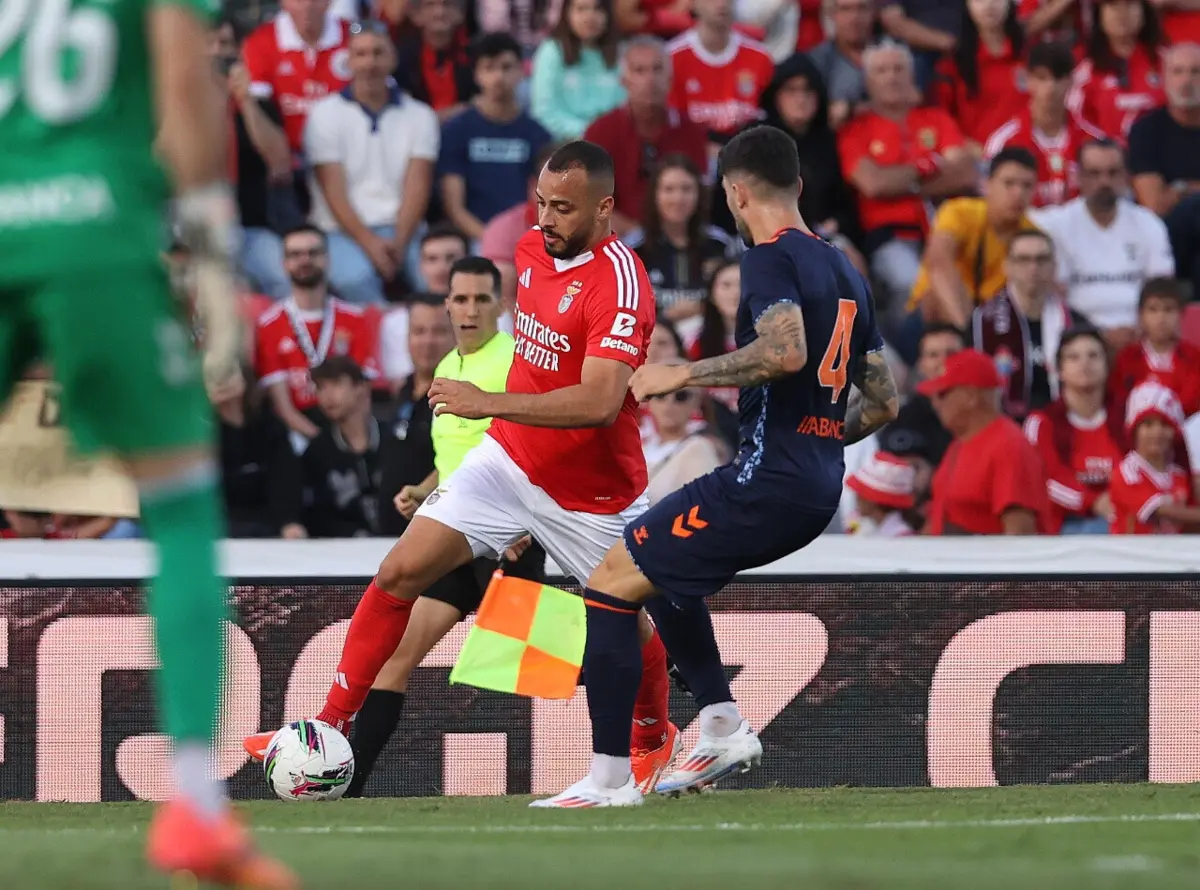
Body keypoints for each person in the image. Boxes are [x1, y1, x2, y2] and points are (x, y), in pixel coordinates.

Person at [243, 141, 680, 793]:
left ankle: (652, 733)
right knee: (398, 571)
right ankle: (326, 730)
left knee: (618, 623)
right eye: (540, 204)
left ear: (606, 207)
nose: (546, 219)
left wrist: (488, 401)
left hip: (590, 494)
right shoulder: (531, 251)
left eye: (563, 208)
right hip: (506, 462)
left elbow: (598, 401)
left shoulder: (621, 282)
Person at [0, 0, 295, 885]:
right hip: (94, 229)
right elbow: (185, 91)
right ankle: (198, 806)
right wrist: (208, 253)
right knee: (179, 505)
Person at [531, 124, 900, 807]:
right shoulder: (847, 268)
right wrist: (819, 441)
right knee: (660, 566)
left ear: (733, 193)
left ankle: (611, 778)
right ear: (796, 183)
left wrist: (682, 374)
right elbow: (882, 401)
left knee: (612, 582)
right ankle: (722, 721)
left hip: (770, 478)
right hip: (817, 484)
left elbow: (784, 353)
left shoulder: (765, 258)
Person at [305, 21, 439, 305]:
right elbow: (333, 193)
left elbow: (418, 186)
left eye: (378, 53)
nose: (370, 63)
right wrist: (370, 243)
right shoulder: (324, 115)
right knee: (356, 280)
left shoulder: (420, 115)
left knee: (438, 278)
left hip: (405, 229)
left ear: (393, 59)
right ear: (349, 61)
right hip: (341, 230)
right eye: (361, 54)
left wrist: (399, 244)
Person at [1030, 139, 1175, 348]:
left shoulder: (1148, 224)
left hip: (1139, 337)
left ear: (1126, 176)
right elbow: (1054, 296)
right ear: (1079, 177)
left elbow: (1161, 290)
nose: (1104, 182)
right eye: (1094, 173)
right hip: (1076, 337)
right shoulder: (1054, 225)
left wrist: (1140, 329)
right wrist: (1099, 334)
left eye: (1113, 173)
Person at [254, 225, 381, 442]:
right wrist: (323, 444)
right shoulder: (268, 325)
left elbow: (361, 393)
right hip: (298, 430)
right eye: (295, 255)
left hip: (351, 426)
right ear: (284, 264)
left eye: (313, 253)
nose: (305, 260)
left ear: (327, 259)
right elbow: (283, 408)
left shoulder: (355, 319)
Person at [583, 36, 710, 235]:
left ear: (670, 79)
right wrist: (638, 237)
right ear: (623, 81)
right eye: (639, 70)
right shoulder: (600, 132)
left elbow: (701, 198)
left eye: (657, 69)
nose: (650, 79)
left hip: (680, 237)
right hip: (618, 240)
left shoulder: (691, 132)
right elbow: (590, 205)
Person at [920, 350, 1050, 536]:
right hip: (951, 561)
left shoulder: (1009, 447)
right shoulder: (959, 444)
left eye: (942, 394)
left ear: (971, 397)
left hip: (985, 563)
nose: (935, 404)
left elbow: (1020, 537)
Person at [908, 148, 1041, 330]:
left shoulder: (1032, 233)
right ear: (987, 185)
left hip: (995, 320)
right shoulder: (960, 212)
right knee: (934, 295)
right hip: (939, 316)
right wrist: (968, 330)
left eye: (1027, 186)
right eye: (1009, 183)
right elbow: (938, 263)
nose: (1018, 193)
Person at [438, 33, 552, 242]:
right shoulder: (457, 130)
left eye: (507, 67)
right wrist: (492, 240)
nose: (498, 76)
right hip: (473, 238)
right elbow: (454, 207)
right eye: (489, 68)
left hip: (526, 238)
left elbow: (545, 200)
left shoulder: (538, 134)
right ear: (476, 74)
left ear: (521, 71)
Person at [971, 229, 1085, 421]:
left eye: (1041, 260)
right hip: (1005, 428)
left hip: (1063, 426)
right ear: (1007, 267)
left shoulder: (1075, 323)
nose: (1033, 267)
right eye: (1023, 260)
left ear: (1054, 267)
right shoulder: (980, 323)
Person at [984, 41, 1109, 209]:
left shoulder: (1094, 141)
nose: (1050, 87)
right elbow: (992, 201)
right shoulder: (1003, 142)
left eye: (1058, 78)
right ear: (1028, 81)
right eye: (1042, 78)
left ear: (1071, 81)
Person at [1024, 327, 1125, 534]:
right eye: (1073, 357)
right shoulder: (1041, 422)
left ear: (1107, 366)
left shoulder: (1127, 417)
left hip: (1120, 517)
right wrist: (1093, 501)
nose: (1084, 363)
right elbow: (1044, 479)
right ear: (1058, 370)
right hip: (1063, 528)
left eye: (1093, 355)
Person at [623, 155, 740, 328]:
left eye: (686, 189)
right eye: (669, 190)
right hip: (653, 341)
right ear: (654, 195)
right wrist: (664, 316)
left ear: (699, 194)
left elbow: (738, 297)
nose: (678, 199)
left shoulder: (720, 243)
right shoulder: (633, 248)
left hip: (711, 340)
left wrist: (700, 307)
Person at [931, 0, 1028, 151]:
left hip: (1027, 156)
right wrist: (975, 150)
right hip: (976, 158)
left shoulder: (1029, 55)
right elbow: (941, 118)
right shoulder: (952, 63)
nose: (989, 5)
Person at [1110, 381, 1200, 533]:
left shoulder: (1179, 474)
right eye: (1148, 424)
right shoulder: (1126, 473)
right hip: (1131, 554)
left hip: (1173, 553)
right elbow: (1164, 512)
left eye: (1165, 425)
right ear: (1134, 430)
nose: (1157, 433)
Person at [1068, 0, 1165, 141]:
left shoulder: (1167, 62)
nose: (1121, 13)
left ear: (1144, 11)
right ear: (1099, 13)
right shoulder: (1081, 64)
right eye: (1112, 5)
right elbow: (1075, 119)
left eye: (1129, 4)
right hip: (1104, 158)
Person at [530, 0, 626, 139]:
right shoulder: (551, 51)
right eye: (581, 9)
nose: (590, 16)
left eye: (598, 8)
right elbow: (544, 112)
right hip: (564, 144)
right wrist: (590, 133)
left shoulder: (621, 52)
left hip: (612, 140)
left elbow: (625, 109)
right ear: (566, 13)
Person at [1108, 277, 1200, 416]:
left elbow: (1193, 403)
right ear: (1141, 315)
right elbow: (1117, 403)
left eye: (1168, 310)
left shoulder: (1194, 357)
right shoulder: (1126, 358)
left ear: (1181, 314)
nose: (1161, 318)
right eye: (1153, 309)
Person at [1128, 43, 1200, 218]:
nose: (1186, 81)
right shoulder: (1145, 131)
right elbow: (1155, 205)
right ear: (1164, 78)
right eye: (1177, 72)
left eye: (1195, 72)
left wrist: (1179, 189)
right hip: (1169, 234)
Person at [844, 451, 919, 536]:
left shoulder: (901, 537)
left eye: (860, 494)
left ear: (871, 500)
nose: (856, 498)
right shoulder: (863, 524)